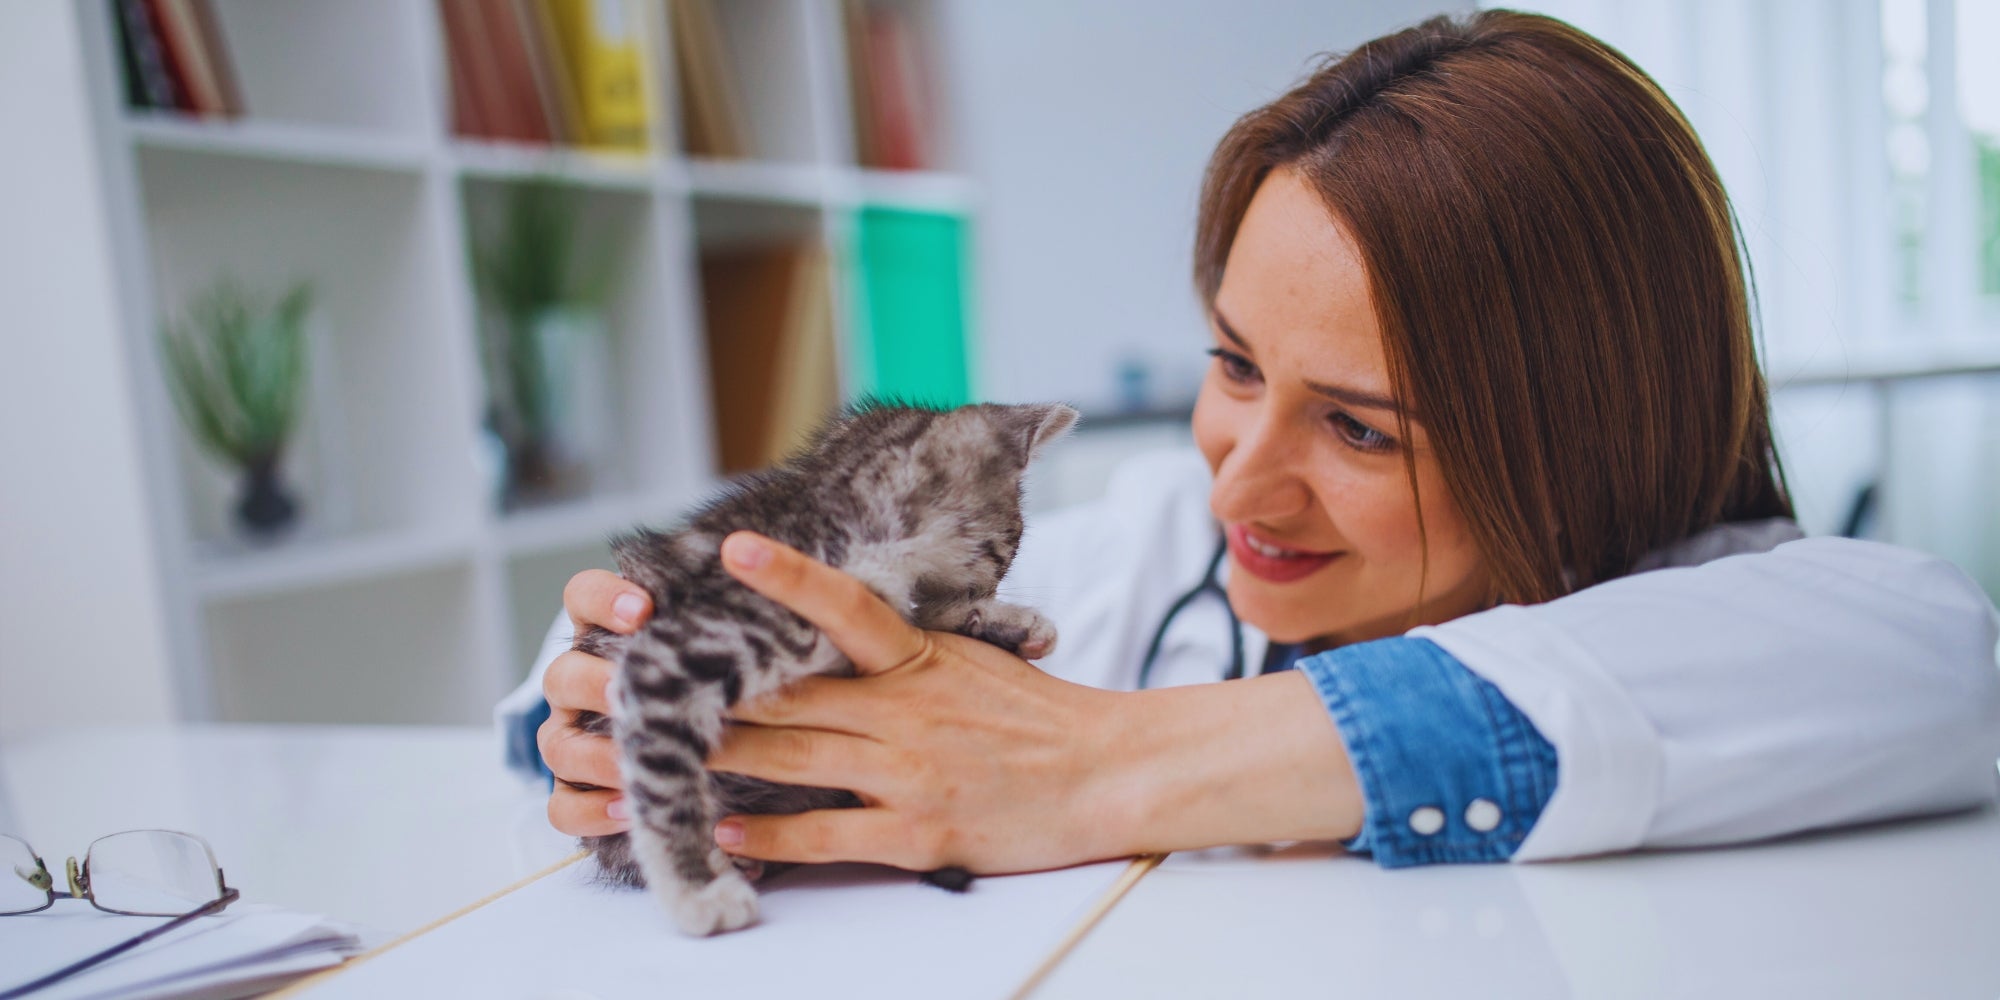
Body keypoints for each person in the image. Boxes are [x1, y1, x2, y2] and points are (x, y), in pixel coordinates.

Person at [499, 9, 2000, 874]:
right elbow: (531, 713)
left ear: (1585, 434)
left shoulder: (1771, 626)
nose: (1241, 471)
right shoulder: (1156, 542)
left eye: (1359, 425)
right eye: (1234, 364)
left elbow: (1942, 658)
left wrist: (1107, 763)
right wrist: (591, 707)